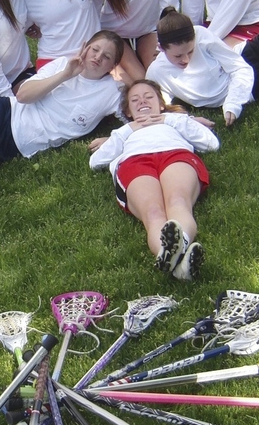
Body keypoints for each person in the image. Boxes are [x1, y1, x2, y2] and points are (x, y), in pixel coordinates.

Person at [89, 78, 219, 280]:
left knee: (177, 200)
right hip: (135, 162)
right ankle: (178, 266)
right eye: (135, 100)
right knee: (153, 211)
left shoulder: (174, 121)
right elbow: (95, 161)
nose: (142, 101)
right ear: (128, 111)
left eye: (149, 96)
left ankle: (173, 256)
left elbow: (211, 143)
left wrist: (168, 119)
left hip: (174, 154)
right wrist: (127, 129)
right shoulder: (125, 132)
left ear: (160, 103)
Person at [0, 30, 125, 172]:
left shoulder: (111, 92)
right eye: (95, 49)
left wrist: (112, 138)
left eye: (107, 56)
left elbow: (142, 123)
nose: (98, 57)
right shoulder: (62, 64)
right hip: (5, 114)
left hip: (17, 147)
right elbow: (23, 96)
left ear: (113, 66)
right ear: (85, 47)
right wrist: (65, 75)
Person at [149, 0, 259, 118]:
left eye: (190, 51)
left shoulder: (201, 35)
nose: (186, 59)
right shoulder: (157, 73)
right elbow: (163, 110)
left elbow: (239, 68)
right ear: (162, 48)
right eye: (178, 56)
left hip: (253, 53)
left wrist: (232, 104)